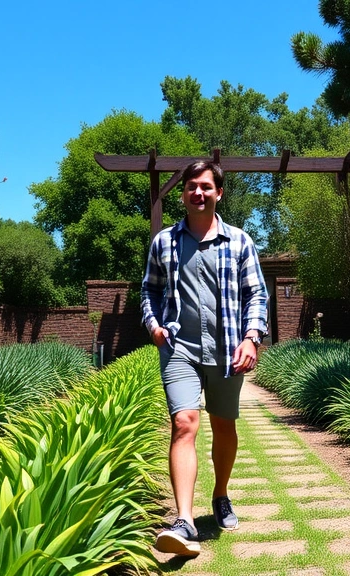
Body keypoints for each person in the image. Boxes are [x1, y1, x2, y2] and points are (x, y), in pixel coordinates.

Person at [140, 160, 268, 557]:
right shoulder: (164, 242)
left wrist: (252, 338)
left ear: (219, 193)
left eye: (206, 186)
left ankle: (220, 494)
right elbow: (149, 291)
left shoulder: (240, 241)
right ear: (183, 194)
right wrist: (153, 326)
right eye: (191, 186)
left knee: (223, 425)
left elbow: (256, 294)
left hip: (228, 350)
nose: (198, 192)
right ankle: (184, 520)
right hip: (179, 348)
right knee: (184, 423)